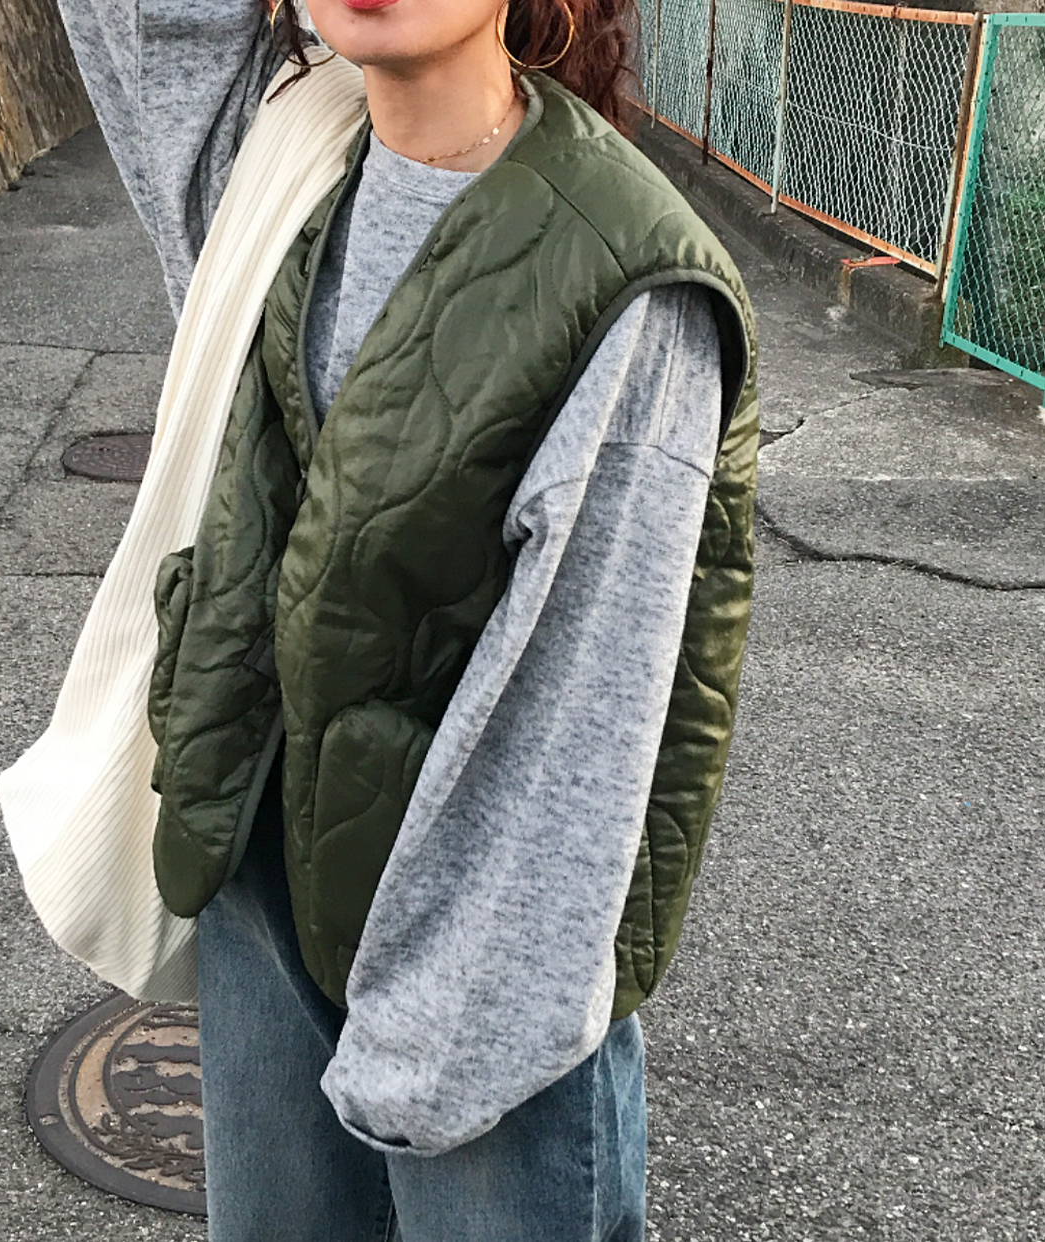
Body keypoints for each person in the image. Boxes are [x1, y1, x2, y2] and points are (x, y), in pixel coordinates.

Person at [52, 0, 758, 1238]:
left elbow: (566, 759)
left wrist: (418, 1069)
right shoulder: (280, 172)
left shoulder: (628, 273)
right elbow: (151, 29)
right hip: (268, 892)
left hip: (489, 990)